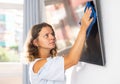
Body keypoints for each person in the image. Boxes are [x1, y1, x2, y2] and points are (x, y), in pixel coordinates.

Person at [24, 7, 93, 84]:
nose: (52, 37)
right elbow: (72, 60)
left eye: (52, 34)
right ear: (36, 42)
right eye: (46, 35)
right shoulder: (38, 65)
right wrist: (83, 27)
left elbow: (70, 58)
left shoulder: (50, 61)